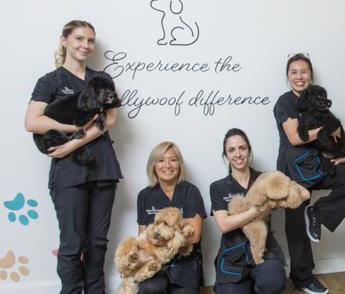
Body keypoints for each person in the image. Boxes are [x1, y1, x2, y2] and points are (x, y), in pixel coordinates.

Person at [24, 20, 122, 294]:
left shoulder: (101, 79)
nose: (85, 45)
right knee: (72, 243)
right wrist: (72, 130)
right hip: (69, 173)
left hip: (103, 169)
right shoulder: (50, 81)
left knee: (98, 242)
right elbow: (32, 122)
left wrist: (73, 143)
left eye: (90, 40)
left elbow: (110, 118)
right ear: (64, 41)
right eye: (79, 38)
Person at [273, 54, 345, 294]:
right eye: (294, 72)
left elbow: (335, 128)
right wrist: (327, 129)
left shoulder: (318, 98)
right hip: (293, 170)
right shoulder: (284, 102)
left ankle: (319, 213)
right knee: (294, 225)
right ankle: (302, 278)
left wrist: (339, 154)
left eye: (304, 71)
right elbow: (295, 137)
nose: (299, 76)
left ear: (311, 75)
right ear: (288, 76)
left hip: (317, 165)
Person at [210, 128, 301, 294]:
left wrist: (295, 193)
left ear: (249, 150)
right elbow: (224, 225)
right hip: (233, 256)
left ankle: (260, 283)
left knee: (272, 282)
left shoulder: (267, 178)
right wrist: (257, 211)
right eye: (231, 150)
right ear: (226, 156)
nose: (238, 154)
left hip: (264, 251)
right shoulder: (218, 187)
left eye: (242, 148)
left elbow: (298, 194)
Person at [136, 141, 206, 294]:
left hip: (185, 264)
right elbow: (142, 238)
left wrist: (158, 238)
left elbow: (194, 237)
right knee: (149, 289)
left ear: (179, 164)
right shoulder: (144, 196)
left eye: (173, 160)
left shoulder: (191, 192)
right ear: (153, 165)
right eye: (161, 160)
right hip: (156, 262)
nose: (167, 165)